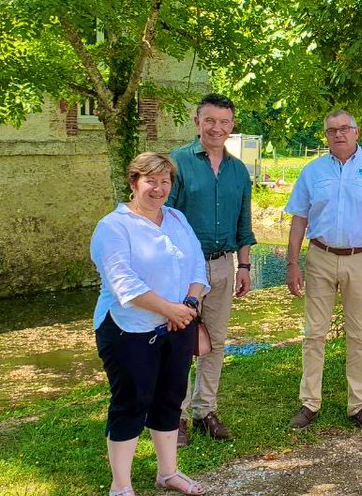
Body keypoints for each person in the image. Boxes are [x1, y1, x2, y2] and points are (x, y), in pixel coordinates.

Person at [91, 152, 209, 496]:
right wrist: (170, 310)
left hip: (179, 324)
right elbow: (124, 283)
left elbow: (197, 265)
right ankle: (121, 486)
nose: (158, 189)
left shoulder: (176, 218)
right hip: (129, 328)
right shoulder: (113, 227)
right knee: (131, 401)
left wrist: (188, 304)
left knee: (171, 397)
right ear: (133, 183)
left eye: (165, 181)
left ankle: (168, 472)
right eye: (150, 181)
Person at [285, 110, 362, 431]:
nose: (338, 134)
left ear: (356, 132)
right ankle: (310, 403)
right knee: (314, 333)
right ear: (325, 135)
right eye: (331, 130)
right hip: (320, 257)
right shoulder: (312, 172)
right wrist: (292, 262)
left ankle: (359, 404)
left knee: (359, 333)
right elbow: (299, 218)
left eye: (344, 129)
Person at [166, 94, 257, 446]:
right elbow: (165, 219)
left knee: (215, 342)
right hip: (183, 269)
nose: (217, 127)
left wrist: (244, 266)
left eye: (224, 121)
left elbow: (244, 224)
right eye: (210, 121)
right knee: (179, 342)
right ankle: (176, 417)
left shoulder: (237, 171)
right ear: (197, 122)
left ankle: (206, 411)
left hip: (223, 265)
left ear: (232, 125)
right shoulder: (178, 164)